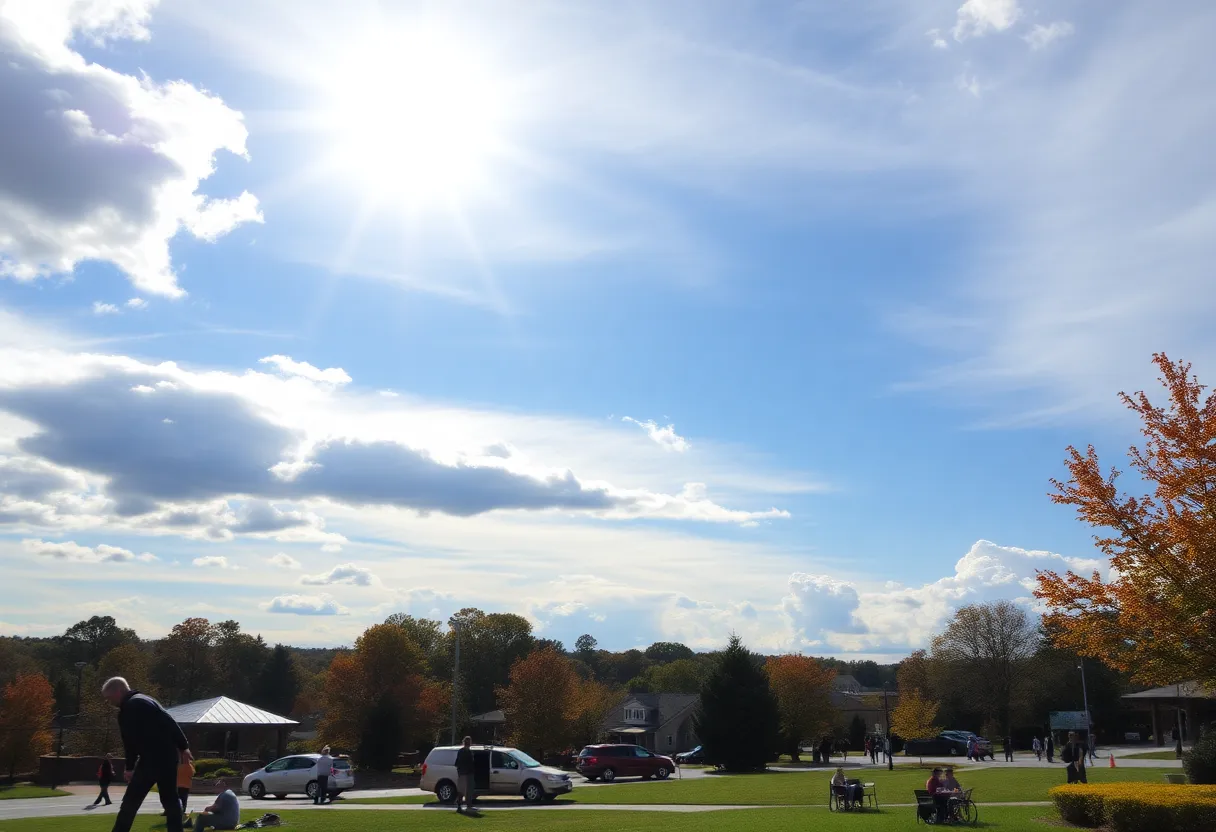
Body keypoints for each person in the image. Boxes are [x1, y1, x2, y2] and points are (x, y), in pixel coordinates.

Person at [102, 676, 193, 832]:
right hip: (168, 758)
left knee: (130, 802)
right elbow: (169, 721)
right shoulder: (147, 700)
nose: (109, 702)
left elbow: (129, 742)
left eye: (110, 698)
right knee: (170, 800)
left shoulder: (128, 708)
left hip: (151, 760)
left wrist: (129, 767)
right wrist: (183, 746)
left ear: (119, 691)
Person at [455, 736, 475, 813]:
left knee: (466, 790)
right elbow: (458, 763)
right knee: (464, 791)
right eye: (469, 741)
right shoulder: (463, 752)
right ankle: (462, 806)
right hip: (465, 773)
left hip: (466, 773)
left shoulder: (467, 751)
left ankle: (466, 805)